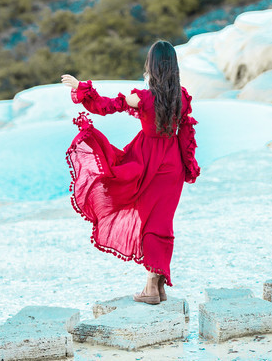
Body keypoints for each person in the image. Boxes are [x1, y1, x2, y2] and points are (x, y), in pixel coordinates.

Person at [61, 40, 200, 305]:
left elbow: (105, 106)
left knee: (149, 223)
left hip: (148, 161)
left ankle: (151, 288)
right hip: (172, 166)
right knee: (162, 223)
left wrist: (82, 89)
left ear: (153, 66)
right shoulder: (181, 96)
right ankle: (158, 287)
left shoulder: (142, 98)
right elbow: (186, 134)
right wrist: (188, 166)